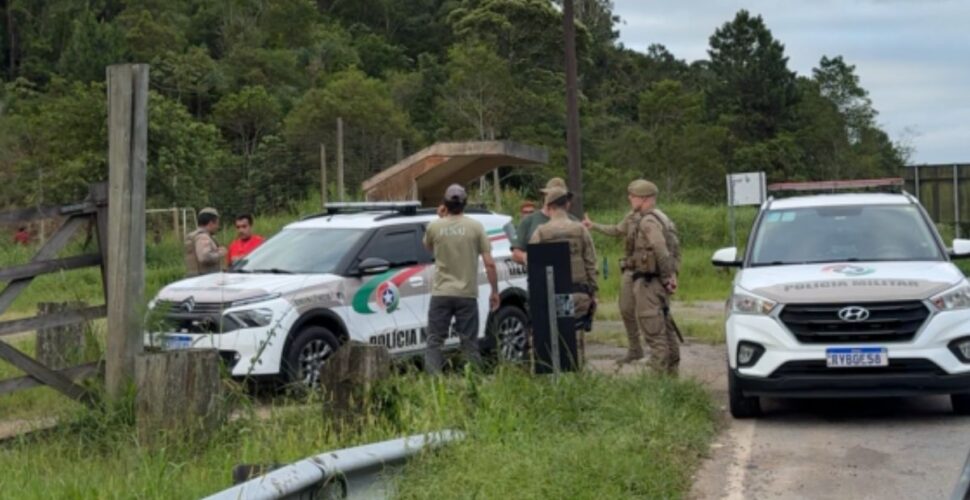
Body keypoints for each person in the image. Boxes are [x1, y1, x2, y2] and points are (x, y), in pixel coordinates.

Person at [585, 180, 681, 375]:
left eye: (633, 196)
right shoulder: (641, 217)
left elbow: (661, 250)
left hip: (649, 279)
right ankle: (662, 367)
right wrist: (593, 226)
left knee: (653, 325)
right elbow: (618, 230)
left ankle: (661, 373)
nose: (629, 198)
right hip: (640, 275)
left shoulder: (649, 221)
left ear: (644, 198)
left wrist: (667, 277)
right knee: (648, 317)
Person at [423, 184, 500, 374]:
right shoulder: (475, 227)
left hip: (441, 293)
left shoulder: (435, 226)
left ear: (445, 204)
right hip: (467, 294)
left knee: (434, 341)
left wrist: (440, 218)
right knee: (469, 343)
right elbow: (490, 263)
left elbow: (429, 248)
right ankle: (473, 384)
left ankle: (433, 385)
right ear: (465, 203)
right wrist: (495, 291)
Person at [529, 186, 598, 366]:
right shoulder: (580, 230)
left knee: (552, 336)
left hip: (552, 296)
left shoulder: (542, 232)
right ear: (566, 205)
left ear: (549, 207)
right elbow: (591, 263)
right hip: (578, 294)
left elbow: (533, 266)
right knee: (575, 338)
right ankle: (577, 375)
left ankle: (556, 376)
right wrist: (593, 293)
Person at [511, 177, 579, 264]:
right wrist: (534, 257)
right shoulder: (529, 221)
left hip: (571, 274)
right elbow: (516, 254)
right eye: (553, 195)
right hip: (540, 273)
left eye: (560, 197)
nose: (556, 199)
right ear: (545, 195)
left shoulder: (574, 222)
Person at [184, 208, 227, 277]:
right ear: (210, 223)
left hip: (198, 279)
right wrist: (220, 253)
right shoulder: (203, 237)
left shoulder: (197, 236)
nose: (217, 227)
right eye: (217, 223)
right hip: (204, 280)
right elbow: (204, 257)